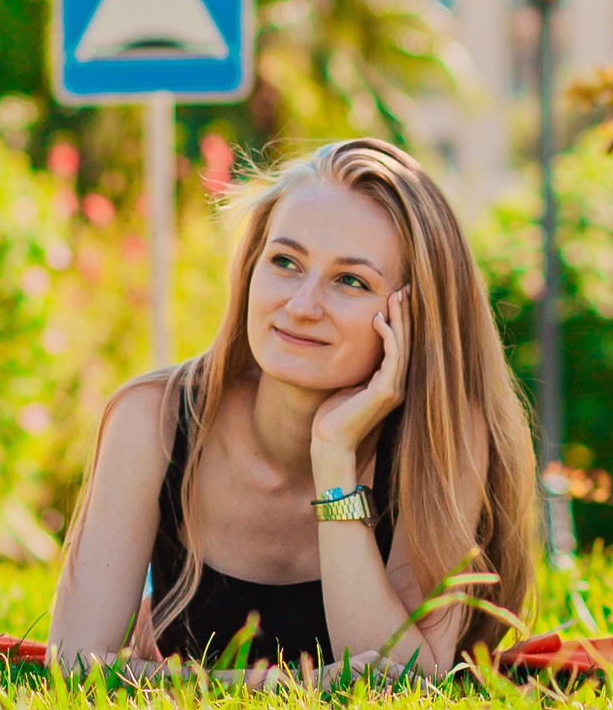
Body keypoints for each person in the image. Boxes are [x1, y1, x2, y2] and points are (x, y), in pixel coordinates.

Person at [48, 138, 539, 679]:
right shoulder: (154, 422)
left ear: (412, 316)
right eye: (286, 262)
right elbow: (73, 668)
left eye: (351, 281)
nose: (302, 306)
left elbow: (408, 679)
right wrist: (285, 686)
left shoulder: (441, 438)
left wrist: (335, 463)